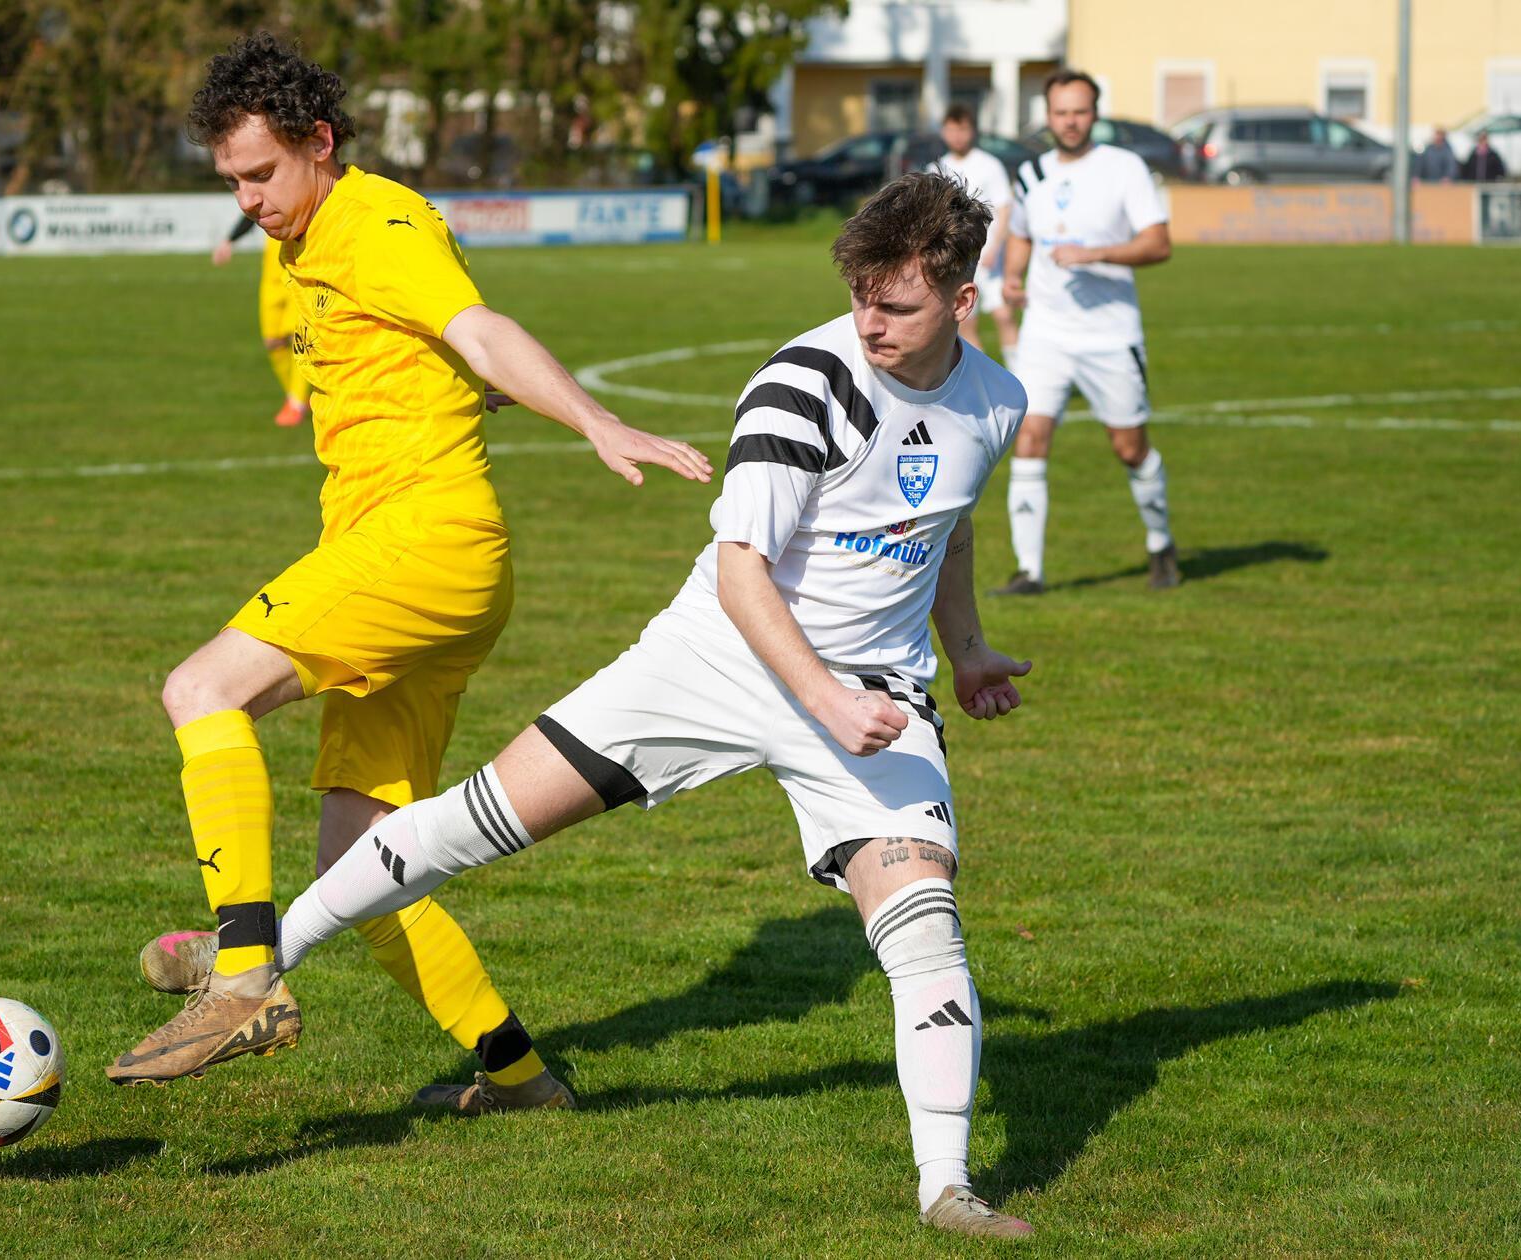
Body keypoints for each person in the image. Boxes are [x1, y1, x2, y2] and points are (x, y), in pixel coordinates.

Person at [260, 173, 1038, 1237]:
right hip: (714, 657)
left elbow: (946, 526)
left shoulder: (994, 401)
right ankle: (259, 962)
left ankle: (946, 1188)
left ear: (961, 300)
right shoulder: (804, 382)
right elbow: (742, 572)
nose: (870, 323)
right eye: (859, 296)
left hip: (872, 694)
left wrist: (967, 649)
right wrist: (821, 696)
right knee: (476, 821)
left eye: (895, 306)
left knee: (925, 929)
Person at [106, 32, 714, 1100]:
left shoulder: (374, 223)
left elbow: (478, 330)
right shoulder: (307, 240)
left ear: (319, 142)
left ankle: (242, 975)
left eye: (261, 174)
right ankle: (518, 1076)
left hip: (422, 545)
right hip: (418, 559)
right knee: (360, 869)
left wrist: (593, 419)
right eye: (231, 181)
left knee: (201, 689)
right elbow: (430, 357)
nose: (247, 200)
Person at [997, 69, 1177, 595]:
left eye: (1079, 112)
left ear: (1094, 114)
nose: (1070, 122)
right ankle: (1029, 570)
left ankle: (1160, 542)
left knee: (1129, 447)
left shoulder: (1124, 168)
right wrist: (1013, 276)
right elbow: (1021, 234)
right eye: (1061, 113)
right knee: (1030, 436)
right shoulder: (1031, 172)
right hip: (1046, 332)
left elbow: (1159, 243)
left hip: (1110, 335)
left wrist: (1095, 253)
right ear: (1048, 116)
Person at [926, 104, 1020, 357]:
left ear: (973, 131)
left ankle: (1018, 372)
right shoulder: (937, 168)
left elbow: (1004, 208)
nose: (957, 136)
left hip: (990, 258)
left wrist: (995, 247)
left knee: (1003, 315)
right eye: (952, 130)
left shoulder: (989, 164)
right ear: (943, 132)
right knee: (966, 321)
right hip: (958, 258)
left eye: (963, 129)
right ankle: (979, 376)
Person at [212, 219, 310, 427]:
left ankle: (297, 403)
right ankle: (297, 395)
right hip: (271, 279)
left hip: (298, 273)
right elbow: (253, 215)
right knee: (273, 342)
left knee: (299, 340)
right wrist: (230, 240)